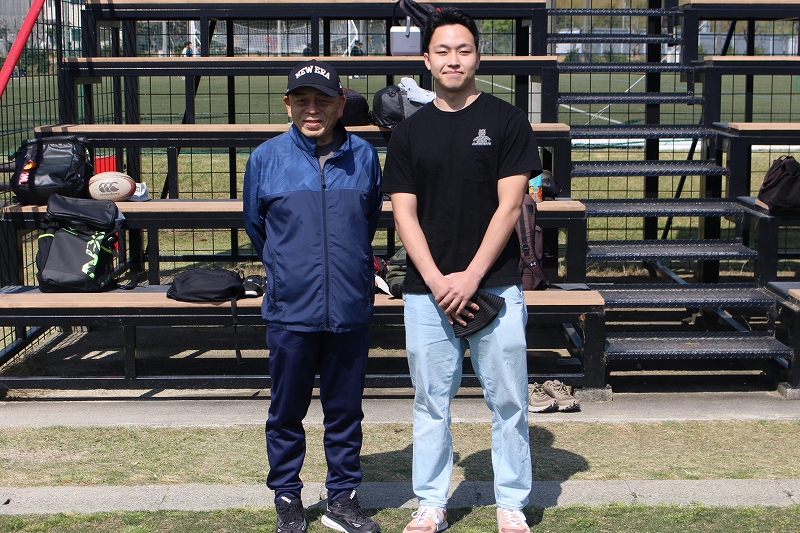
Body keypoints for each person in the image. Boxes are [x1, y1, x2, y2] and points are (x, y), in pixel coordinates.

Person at [382, 7, 541, 533]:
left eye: (464, 50)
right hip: (426, 292)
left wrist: (471, 276)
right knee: (431, 403)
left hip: (495, 285)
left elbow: (510, 206)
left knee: (510, 401)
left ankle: (511, 502)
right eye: (443, 51)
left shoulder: (507, 120)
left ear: (478, 57)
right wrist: (436, 280)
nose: (454, 60)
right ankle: (431, 501)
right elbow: (404, 214)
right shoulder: (407, 134)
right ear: (426, 60)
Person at [243, 59, 383, 533]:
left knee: (345, 412)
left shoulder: (364, 156)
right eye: (302, 99)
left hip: (349, 308)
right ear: (287, 104)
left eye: (322, 100)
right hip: (291, 310)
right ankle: (287, 496)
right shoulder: (266, 158)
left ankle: (342, 499)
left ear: (340, 103)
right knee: (286, 412)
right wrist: (291, 272)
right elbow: (257, 229)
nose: (312, 109)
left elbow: (367, 222)